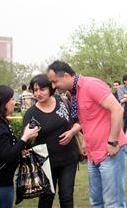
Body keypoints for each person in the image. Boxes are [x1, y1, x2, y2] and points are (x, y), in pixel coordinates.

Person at [47, 60, 127, 207]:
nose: (53, 86)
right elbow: (88, 119)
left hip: (110, 152)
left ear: (65, 75)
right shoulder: (74, 93)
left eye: (54, 81)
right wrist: (85, 141)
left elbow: (117, 109)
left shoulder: (91, 85)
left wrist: (113, 141)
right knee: (96, 202)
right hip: (93, 154)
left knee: (112, 203)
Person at [23, 74, 81, 208]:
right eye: (35, 90)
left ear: (50, 89)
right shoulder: (31, 113)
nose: (38, 93)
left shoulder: (62, 102)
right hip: (45, 162)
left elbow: (78, 122)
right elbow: (26, 141)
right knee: (47, 197)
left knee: (66, 196)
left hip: (69, 157)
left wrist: (72, 132)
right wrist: (30, 137)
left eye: (41, 89)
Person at [0, 85, 39, 208]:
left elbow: (3, 149)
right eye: (12, 99)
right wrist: (25, 137)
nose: (15, 102)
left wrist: (23, 144)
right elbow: (7, 155)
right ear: (3, 103)